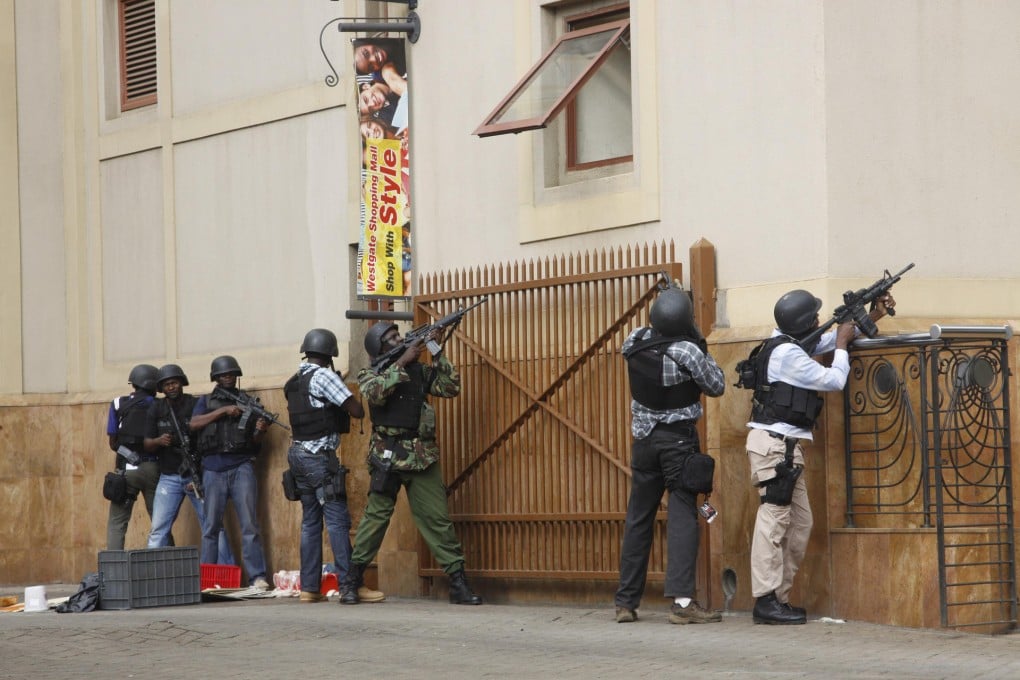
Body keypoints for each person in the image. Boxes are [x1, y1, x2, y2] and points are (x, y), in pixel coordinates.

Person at [744, 289, 894, 624]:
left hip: (784, 448)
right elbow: (834, 379)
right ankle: (765, 601)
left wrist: (873, 316)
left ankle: (778, 598)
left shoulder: (787, 345)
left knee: (800, 524)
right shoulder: (788, 355)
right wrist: (842, 344)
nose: (817, 321)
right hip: (775, 447)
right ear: (802, 322)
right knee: (774, 523)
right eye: (813, 317)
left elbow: (823, 342)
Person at [339, 322, 482, 606]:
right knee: (375, 520)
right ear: (379, 349)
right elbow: (375, 394)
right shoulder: (371, 373)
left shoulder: (419, 371)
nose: (399, 338)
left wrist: (435, 349)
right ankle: (352, 581)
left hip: (421, 457)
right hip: (387, 457)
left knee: (437, 520)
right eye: (391, 338)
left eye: (398, 335)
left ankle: (458, 582)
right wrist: (402, 362)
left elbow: (451, 387)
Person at [614, 284, 726, 625]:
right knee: (681, 519)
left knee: (638, 519)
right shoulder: (687, 352)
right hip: (677, 443)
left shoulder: (633, 341)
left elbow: (644, 342)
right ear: (685, 322)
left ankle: (625, 603)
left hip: (643, 442)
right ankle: (682, 603)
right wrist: (695, 338)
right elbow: (716, 384)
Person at [284, 328, 384, 604]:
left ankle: (309, 588)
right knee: (338, 521)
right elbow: (356, 410)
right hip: (319, 458)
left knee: (310, 523)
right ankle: (351, 585)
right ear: (330, 353)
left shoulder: (294, 380)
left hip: (297, 457)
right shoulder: (325, 376)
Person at [190, 355, 270, 590]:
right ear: (215, 377)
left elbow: (256, 443)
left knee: (249, 525)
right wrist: (224, 411)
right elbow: (194, 424)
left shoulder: (247, 402)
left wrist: (260, 430)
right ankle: (207, 578)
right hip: (213, 468)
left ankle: (257, 577)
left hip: (241, 466)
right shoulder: (205, 401)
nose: (228, 378)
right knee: (211, 527)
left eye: (231, 374)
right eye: (223, 375)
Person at [143, 363, 234, 564]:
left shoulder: (194, 404)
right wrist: (159, 441)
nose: (171, 387)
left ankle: (228, 574)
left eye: (174, 383)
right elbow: (147, 443)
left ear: (182, 383)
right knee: (158, 529)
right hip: (169, 477)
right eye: (167, 385)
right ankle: (147, 574)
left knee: (213, 526)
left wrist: (200, 474)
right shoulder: (156, 408)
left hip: (196, 476)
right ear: (162, 388)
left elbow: (207, 439)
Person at [105, 364, 161, 550]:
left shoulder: (118, 403)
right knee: (160, 522)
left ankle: (114, 572)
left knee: (117, 522)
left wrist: (130, 456)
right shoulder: (159, 405)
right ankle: (170, 571)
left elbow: (113, 442)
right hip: (153, 468)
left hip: (126, 470)